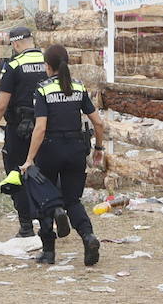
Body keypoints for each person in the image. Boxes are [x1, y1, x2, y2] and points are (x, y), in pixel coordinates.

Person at [19, 43, 105, 266]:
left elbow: (40, 128)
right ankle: (88, 237)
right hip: (76, 149)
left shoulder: (43, 90)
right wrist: (99, 149)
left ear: (48, 66)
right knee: (73, 200)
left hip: (50, 149)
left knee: (44, 199)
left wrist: (29, 159)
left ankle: (48, 251)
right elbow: (98, 122)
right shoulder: (78, 87)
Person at [0, 25, 45, 237]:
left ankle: (26, 226)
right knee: (45, 173)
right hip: (47, 129)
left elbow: (0, 105)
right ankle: (49, 219)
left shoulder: (14, 65)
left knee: (15, 175)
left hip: (19, 130)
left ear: (15, 44)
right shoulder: (50, 61)